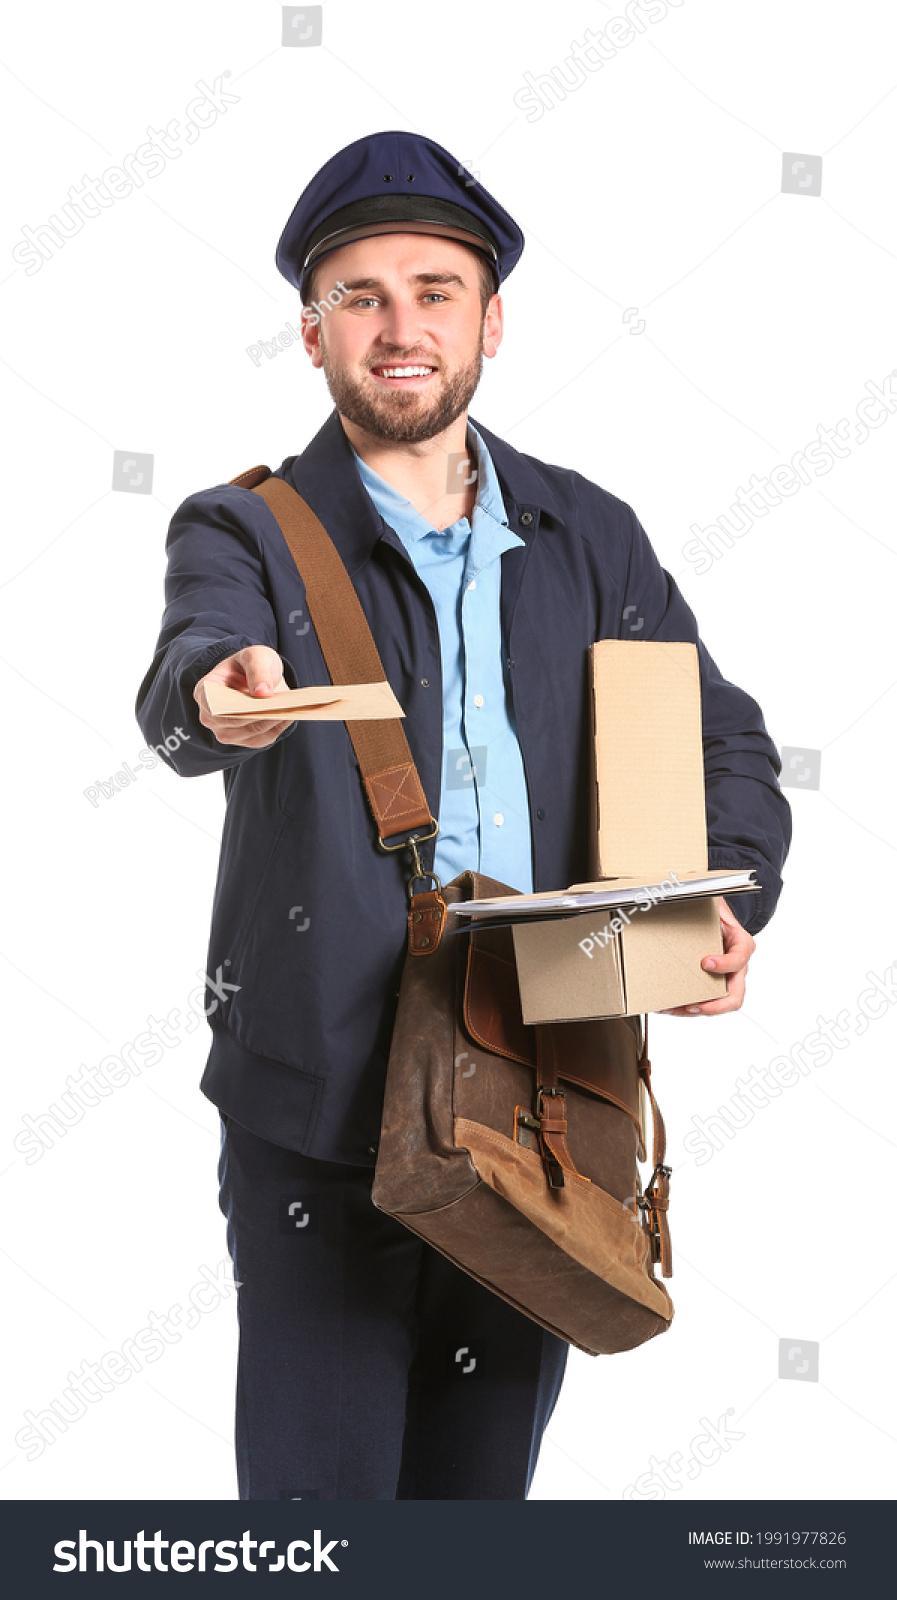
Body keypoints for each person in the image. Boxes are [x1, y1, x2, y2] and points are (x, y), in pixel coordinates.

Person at [135, 130, 791, 1500]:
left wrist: (722, 905)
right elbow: (194, 660)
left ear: (491, 322)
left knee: (476, 1518)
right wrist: (219, 690)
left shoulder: (589, 533)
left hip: (540, 1090)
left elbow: (716, 741)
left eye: (434, 291)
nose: (398, 327)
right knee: (320, 1528)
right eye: (359, 296)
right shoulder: (243, 530)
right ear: (309, 335)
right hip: (320, 1096)